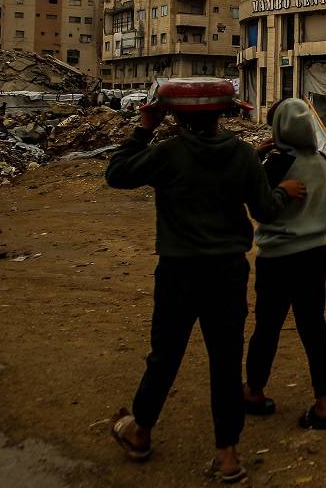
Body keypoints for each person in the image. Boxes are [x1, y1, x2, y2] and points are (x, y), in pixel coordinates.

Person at [105, 98, 305, 484]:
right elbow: (265, 209)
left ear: (175, 114)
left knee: (164, 355)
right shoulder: (242, 154)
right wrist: (283, 191)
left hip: (179, 271)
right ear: (220, 114)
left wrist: (144, 127)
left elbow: (117, 173)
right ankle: (227, 455)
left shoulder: (168, 153)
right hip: (228, 272)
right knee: (226, 362)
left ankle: (140, 431)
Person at [243, 98, 326, 432]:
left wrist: (258, 155)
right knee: (314, 328)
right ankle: (325, 401)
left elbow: (260, 208)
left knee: (267, 327)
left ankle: (254, 391)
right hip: (315, 254)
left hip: (279, 258)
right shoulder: (320, 161)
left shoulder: (276, 164)